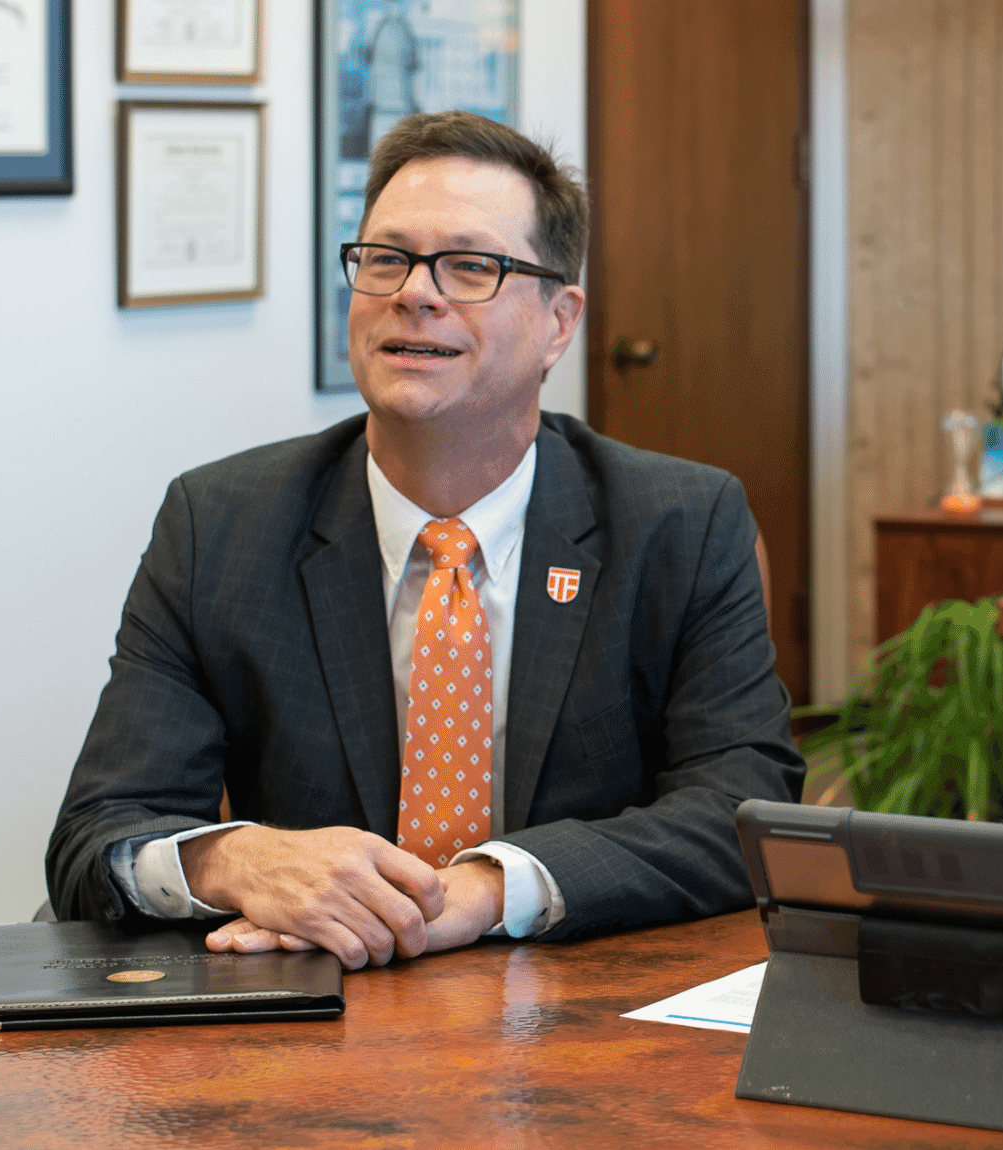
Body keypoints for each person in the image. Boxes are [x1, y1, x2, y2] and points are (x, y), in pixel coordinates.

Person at [47, 111, 803, 968]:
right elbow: (96, 836)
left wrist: (485, 890)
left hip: (580, 1013)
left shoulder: (680, 523)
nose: (416, 290)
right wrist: (238, 859)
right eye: (387, 258)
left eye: (472, 266)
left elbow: (742, 810)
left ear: (560, 321)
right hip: (307, 1025)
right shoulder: (218, 524)